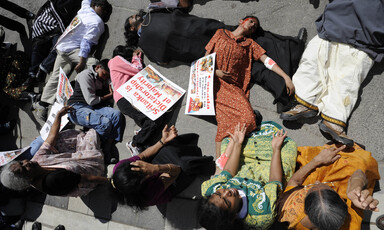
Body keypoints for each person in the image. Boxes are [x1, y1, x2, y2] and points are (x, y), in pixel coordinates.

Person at [125, 10, 305, 112]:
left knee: (250, 42)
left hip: (202, 35)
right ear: (132, 28)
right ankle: (289, 61)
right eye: (132, 18)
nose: (134, 14)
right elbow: (163, 59)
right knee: (249, 62)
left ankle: (287, 71)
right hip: (202, 45)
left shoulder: (151, 20)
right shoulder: (147, 34)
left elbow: (164, 59)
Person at [280, 0, 384, 146]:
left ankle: (333, 120)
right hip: (337, 20)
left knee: (348, 76)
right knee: (314, 57)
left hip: (366, 33)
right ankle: (305, 102)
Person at [203, 17, 294, 158]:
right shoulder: (220, 33)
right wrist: (216, 72)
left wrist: (286, 77)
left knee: (245, 120)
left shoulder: (250, 44)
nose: (253, 25)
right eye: (251, 21)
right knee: (235, 121)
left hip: (234, 87)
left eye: (255, 26)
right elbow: (205, 59)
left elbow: (267, 62)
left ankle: (221, 162)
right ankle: (221, 164)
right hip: (215, 83)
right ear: (241, 20)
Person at [199, 122, 298, 230]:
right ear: (233, 217)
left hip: (244, 164)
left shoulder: (209, 190)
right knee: (289, 146)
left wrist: (238, 144)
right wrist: (276, 149)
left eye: (219, 193)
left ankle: (251, 128)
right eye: (227, 201)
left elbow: (228, 171)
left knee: (226, 142)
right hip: (270, 168)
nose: (227, 192)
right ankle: (255, 128)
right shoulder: (262, 214)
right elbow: (274, 179)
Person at [0, 106, 107, 197]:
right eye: (24, 168)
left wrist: (59, 115)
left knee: (57, 140)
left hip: (75, 170)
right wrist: (110, 181)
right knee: (99, 130)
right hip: (90, 173)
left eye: (21, 162)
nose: (26, 162)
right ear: (29, 178)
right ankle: (102, 154)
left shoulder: (36, 162)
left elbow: (51, 137)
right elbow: (85, 178)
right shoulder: (52, 180)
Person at [32, 0, 112, 121]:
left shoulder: (85, 8)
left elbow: (86, 0)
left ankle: (42, 104)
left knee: (56, 76)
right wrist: (81, 61)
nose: (104, 12)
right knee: (93, 64)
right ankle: (101, 86)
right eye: (103, 8)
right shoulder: (97, 22)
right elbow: (87, 42)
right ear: (96, 6)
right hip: (72, 50)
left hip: (61, 47)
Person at [276, 143, 380, 230]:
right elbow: (359, 172)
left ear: (305, 210)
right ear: (343, 202)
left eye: (311, 187)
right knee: (362, 162)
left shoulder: (291, 210)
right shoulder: (351, 223)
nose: (317, 182)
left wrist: (317, 160)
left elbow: (294, 181)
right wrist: (356, 187)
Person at [110, 125, 215, 208]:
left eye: (141, 168)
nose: (144, 170)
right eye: (144, 174)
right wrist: (156, 169)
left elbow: (144, 155)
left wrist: (162, 141)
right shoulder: (149, 194)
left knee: (166, 147)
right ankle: (204, 163)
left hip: (155, 169)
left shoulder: (119, 167)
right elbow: (176, 171)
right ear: (141, 183)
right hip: (168, 184)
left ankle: (191, 152)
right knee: (184, 165)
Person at [109, 46, 165, 155]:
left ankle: (142, 132)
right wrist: (135, 58)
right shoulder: (116, 60)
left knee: (155, 117)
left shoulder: (115, 64)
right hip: (126, 97)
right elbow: (137, 70)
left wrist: (136, 58)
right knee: (154, 119)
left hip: (128, 96)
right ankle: (135, 143)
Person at [67, 59, 124, 163]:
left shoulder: (102, 77)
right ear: (97, 67)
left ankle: (107, 145)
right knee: (104, 123)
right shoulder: (85, 75)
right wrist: (109, 95)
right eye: (104, 74)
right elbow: (91, 100)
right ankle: (99, 149)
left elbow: (110, 83)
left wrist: (110, 84)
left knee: (116, 115)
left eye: (107, 76)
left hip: (93, 107)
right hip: (77, 108)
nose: (105, 78)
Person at [22, 0, 83, 86]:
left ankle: (43, 68)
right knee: (38, 49)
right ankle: (32, 74)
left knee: (60, 46)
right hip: (44, 26)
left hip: (57, 29)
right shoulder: (57, 4)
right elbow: (59, 16)